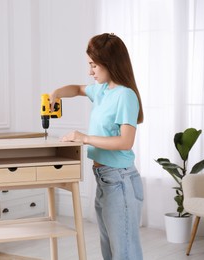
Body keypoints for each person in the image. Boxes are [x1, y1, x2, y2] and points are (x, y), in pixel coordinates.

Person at [49, 33, 144, 260]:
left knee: (124, 252)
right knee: (109, 249)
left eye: (94, 65)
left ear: (110, 63)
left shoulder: (125, 96)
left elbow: (126, 141)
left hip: (119, 180)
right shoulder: (102, 90)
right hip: (103, 178)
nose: (90, 72)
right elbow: (78, 89)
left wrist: (85, 138)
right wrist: (56, 94)